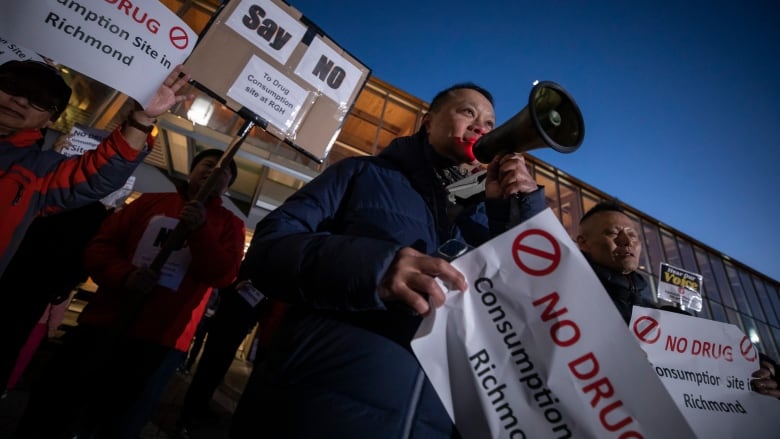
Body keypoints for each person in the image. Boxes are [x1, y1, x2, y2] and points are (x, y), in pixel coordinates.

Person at [231, 83, 546, 438]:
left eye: (490, 123)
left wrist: (518, 211)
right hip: (313, 411)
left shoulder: (489, 215)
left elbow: (533, 309)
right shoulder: (359, 174)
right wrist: (376, 268)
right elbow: (269, 248)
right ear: (428, 123)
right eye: (467, 112)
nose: (482, 127)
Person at [15, 149, 246, 439]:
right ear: (192, 170)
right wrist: (125, 275)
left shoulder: (230, 225)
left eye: (224, 171)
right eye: (208, 165)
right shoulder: (149, 203)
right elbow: (101, 247)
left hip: (161, 338)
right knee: (55, 406)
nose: (214, 172)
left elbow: (223, 274)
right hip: (102, 322)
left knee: (119, 419)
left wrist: (200, 230)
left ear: (228, 186)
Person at [0, 60, 192, 277]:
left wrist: (143, 118)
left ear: (49, 121)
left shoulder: (39, 173)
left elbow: (98, 174)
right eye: (12, 86)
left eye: (40, 100)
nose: (21, 100)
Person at [575, 201, 780, 398]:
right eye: (612, 233)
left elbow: (723, 351)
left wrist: (767, 370)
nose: (626, 241)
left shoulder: (667, 317)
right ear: (583, 242)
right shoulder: (568, 302)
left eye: (632, 234)